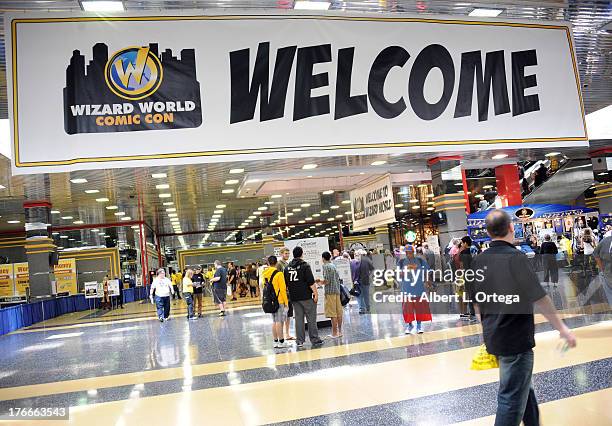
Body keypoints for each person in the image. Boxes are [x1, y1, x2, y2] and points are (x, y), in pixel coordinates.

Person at [471, 210, 576, 426]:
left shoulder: (478, 261)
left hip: (495, 337)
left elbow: (476, 303)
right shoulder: (515, 258)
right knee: (510, 399)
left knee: (522, 386)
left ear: (489, 232)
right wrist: (562, 329)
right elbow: (540, 298)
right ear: (511, 228)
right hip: (515, 339)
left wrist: (487, 331)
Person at [284, 246, 323, 347]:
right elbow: (310, 282)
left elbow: (286, 284)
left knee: (298, 319)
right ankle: (314, 339)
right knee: (311, 318)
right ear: (302, 254)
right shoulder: (305, 266)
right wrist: (316, 293)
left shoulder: (287, 268)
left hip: (294, 298)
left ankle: (299, 341)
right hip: (306, 297)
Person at [398, 245, 432, 334]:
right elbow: (398, 275)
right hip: (406, 288)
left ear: (413, 252)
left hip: (419, 288)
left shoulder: (420, 261)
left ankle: (419, 325)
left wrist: (427, 281)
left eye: (410, 252)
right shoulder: (401, 262)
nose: (409, 254)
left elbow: (427, 270)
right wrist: (402, 273)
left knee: (419, 307)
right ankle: (410, 325)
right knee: (407, 308)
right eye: (407, 253)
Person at [263, 255, 289, 349]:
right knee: (279, 321)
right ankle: (281, 342)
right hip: (279, 300)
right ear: (276, 263)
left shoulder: (265, 273)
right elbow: (283, 290)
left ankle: (275, 341)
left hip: (270, 301)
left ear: (268, 263)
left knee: (274, 321)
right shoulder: (279, 274)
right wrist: (286, 303)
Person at [317, 251, 343, 338]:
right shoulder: (333, 265)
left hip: (330, 292)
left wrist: (319, 282)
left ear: (323, 258)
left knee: (332, 313)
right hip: (337, 291)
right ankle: (339, 332)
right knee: (338, 312)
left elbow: (327, 281)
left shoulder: (326, 266)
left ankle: (334, 333)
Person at [276, 247, 295, 341]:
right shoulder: (279, 264)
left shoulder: (287, 264)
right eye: (285, 253)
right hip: (283, 293)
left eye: (288, 253)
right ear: (281, 254)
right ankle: (282, 334)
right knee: (284, 314)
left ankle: (287, 333)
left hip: (289, 292)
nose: (287, 255)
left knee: (289, 314)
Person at [459, 236, 477, 321]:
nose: (462, 244)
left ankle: (472, 313)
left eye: (462, 243)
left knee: (470, 295)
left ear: (465, 243)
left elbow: (462, 267)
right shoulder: (476, 250)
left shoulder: (463, 253)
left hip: (468, 276)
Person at [594, 234, 612, 304]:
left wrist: (601, 269)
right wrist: (602, 269)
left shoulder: (605, 240)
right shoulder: (605, 241)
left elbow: (596, 254)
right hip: (607, 273)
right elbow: (596, 254)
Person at [356, 249, 375, 314]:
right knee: (365, 294)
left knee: (361, 295)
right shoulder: (367, 260)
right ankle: (366, 308)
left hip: (360, 280)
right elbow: (372, 269)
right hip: (364, 280)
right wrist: (370, 276)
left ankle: (363, 309)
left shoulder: (359, 260)